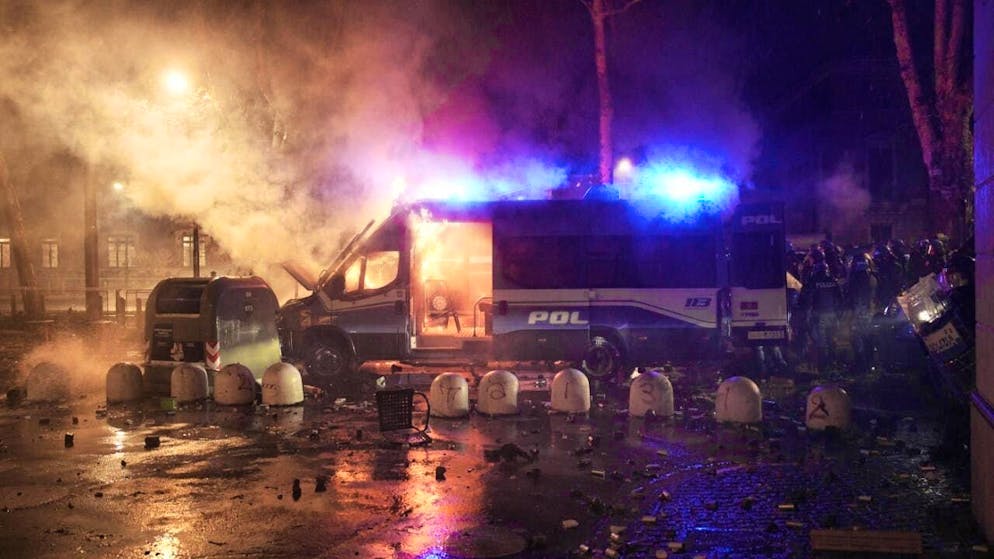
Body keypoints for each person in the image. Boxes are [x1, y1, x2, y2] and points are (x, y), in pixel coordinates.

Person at [799, 262, 844, 373]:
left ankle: (823, 367)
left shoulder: (813, 281)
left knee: (821, 341)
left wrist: (806, 314)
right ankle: (834, 363)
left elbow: (807, 299)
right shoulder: (833, 281)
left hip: (819, 316)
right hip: (832, 315)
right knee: (832, 339)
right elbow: (840, 298)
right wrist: (839, 314)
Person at [846, 253, 878, 373]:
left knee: (857, 338)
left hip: (860, 312)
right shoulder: (872, 278)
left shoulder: (856, 280)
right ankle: (869, 363)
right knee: (867, 338)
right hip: (869, 312)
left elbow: (852, 296)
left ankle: (861, 365)